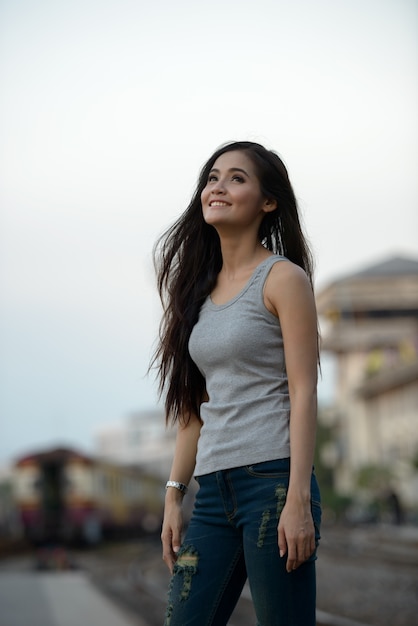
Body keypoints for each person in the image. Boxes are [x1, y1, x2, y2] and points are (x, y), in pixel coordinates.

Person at [152, 141, 321, 626]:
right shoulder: (195, 295)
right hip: (212, 496)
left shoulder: (283, 279)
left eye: (236, 178)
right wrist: (173, 493)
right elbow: (194, 407)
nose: (218, 187)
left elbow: (304, 392)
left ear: (268, 202)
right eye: (212, 178)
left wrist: (298, 501)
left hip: (271, 484)